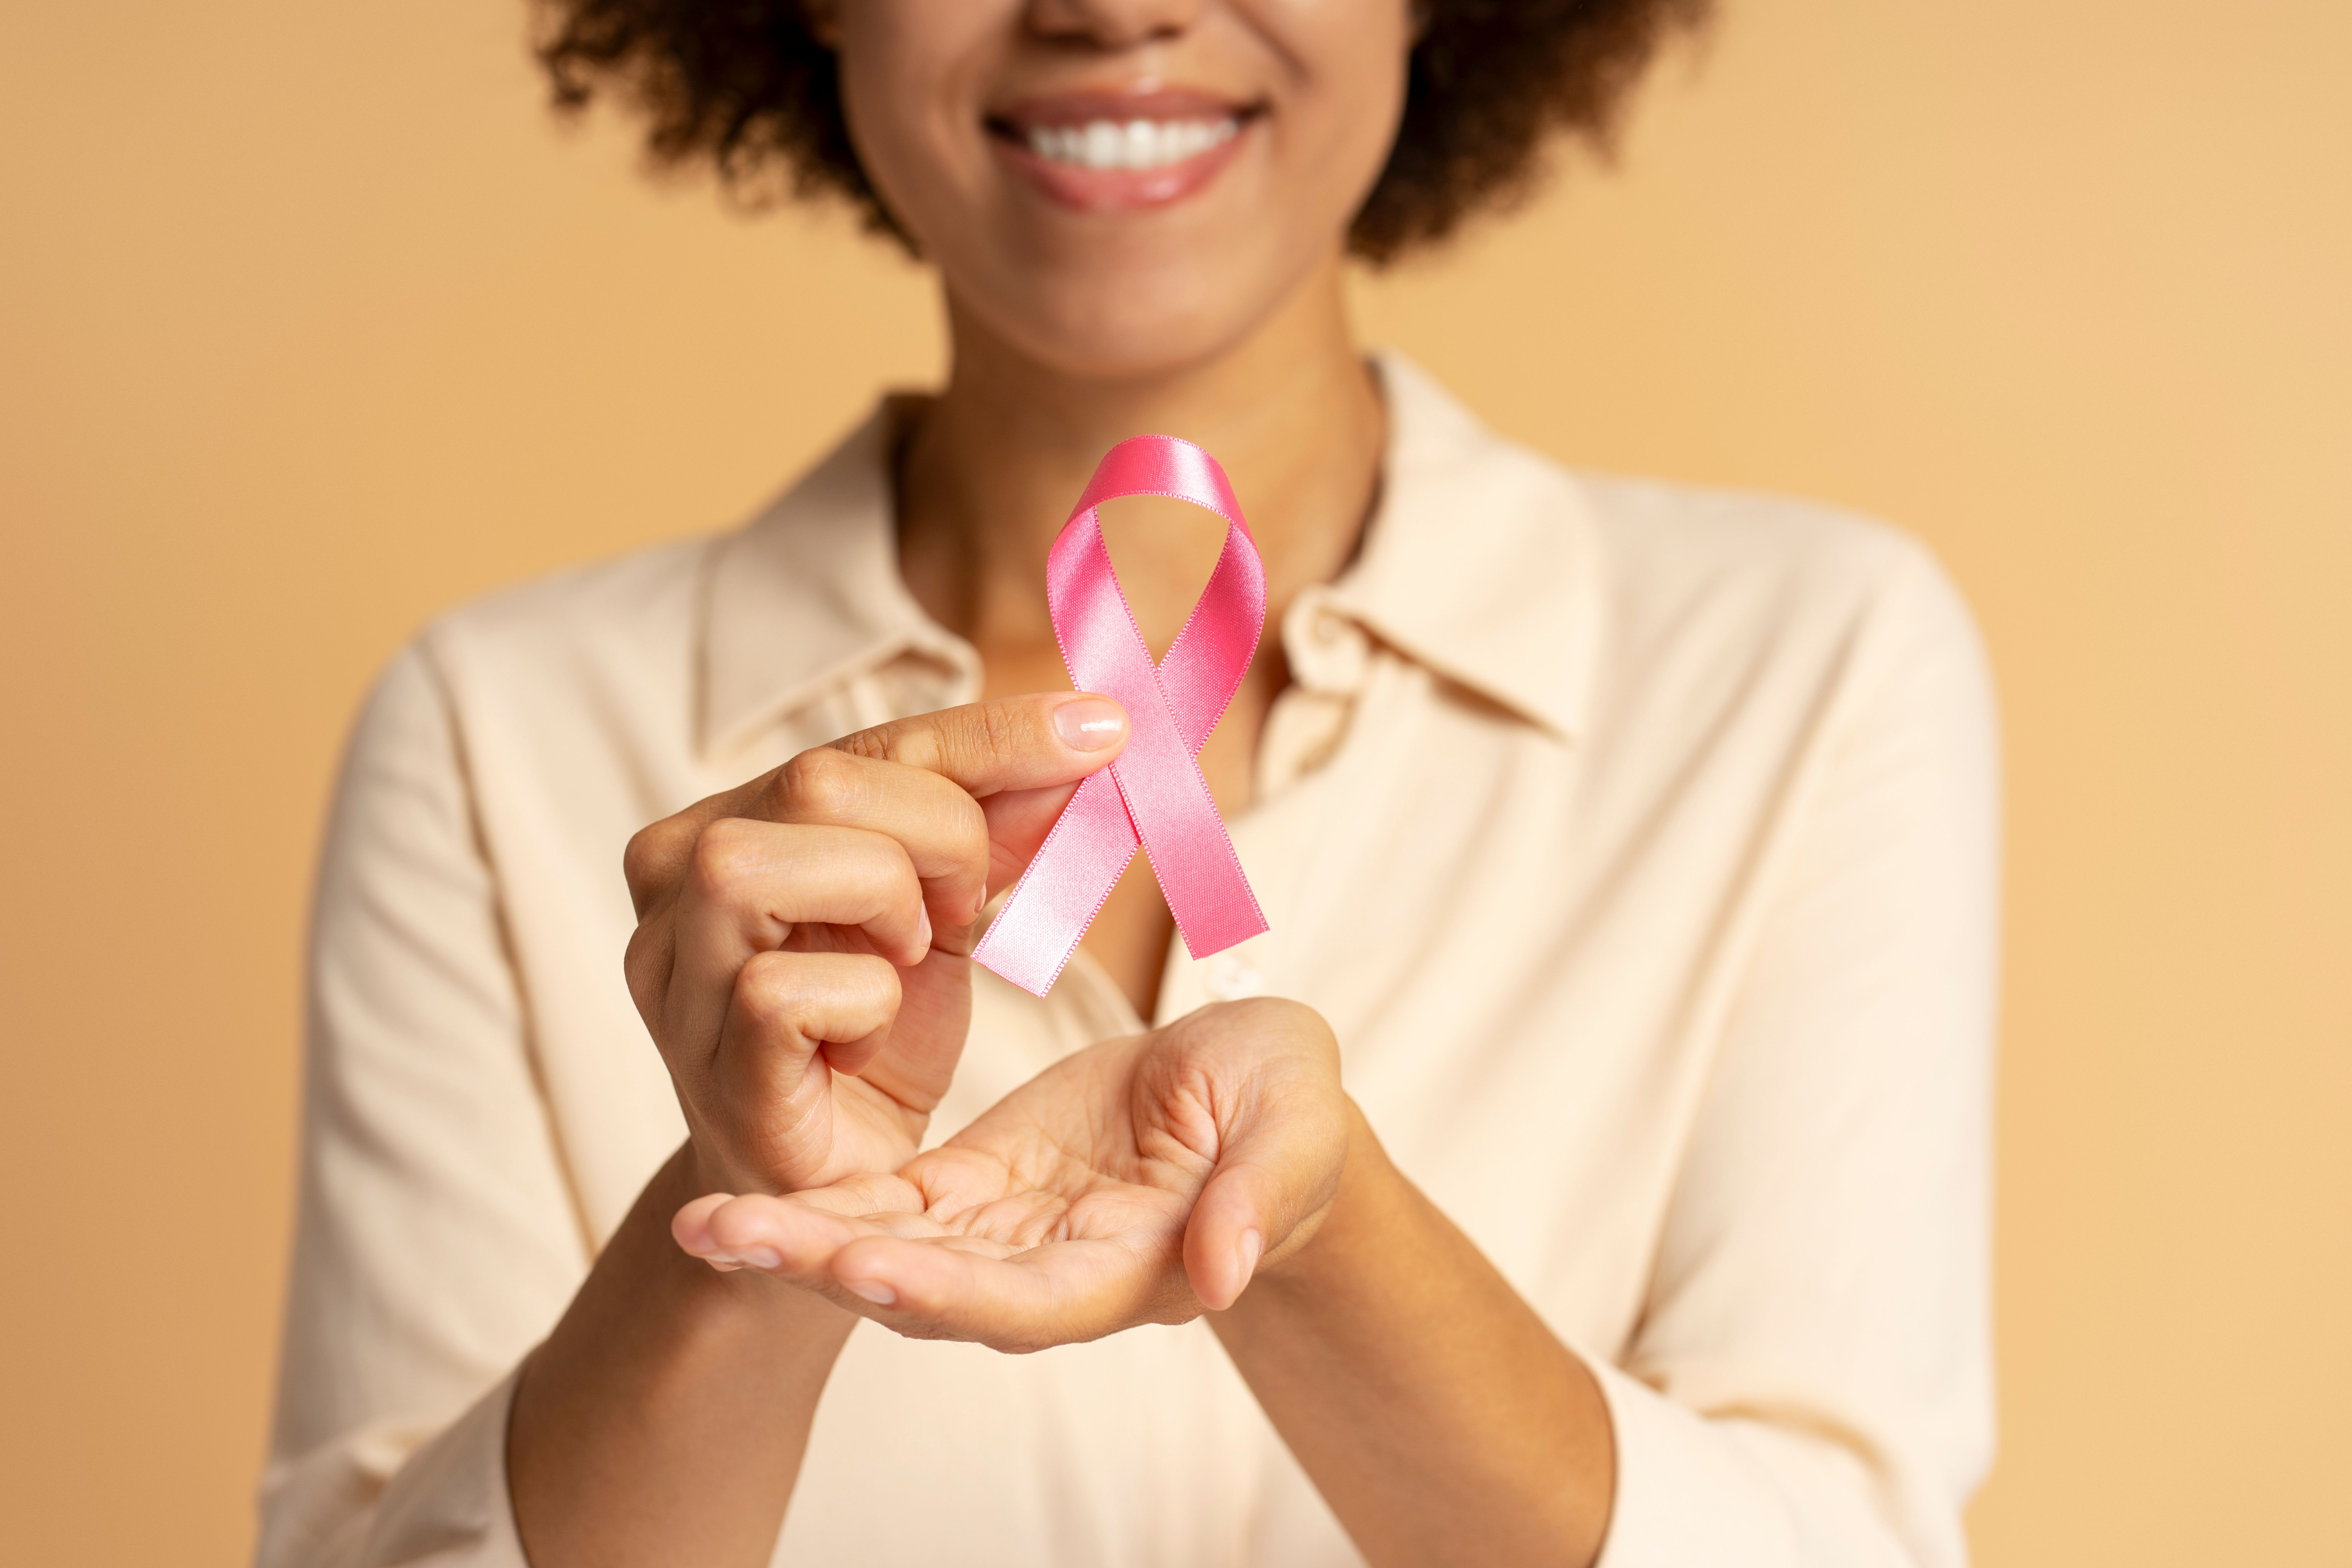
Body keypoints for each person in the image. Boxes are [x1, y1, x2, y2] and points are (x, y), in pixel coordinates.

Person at [258, 2, 1999, 1565]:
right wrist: (740, 1217)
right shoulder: (492, 732)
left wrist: (1327, 1242)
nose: (1113, 7)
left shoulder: (1809, 666)